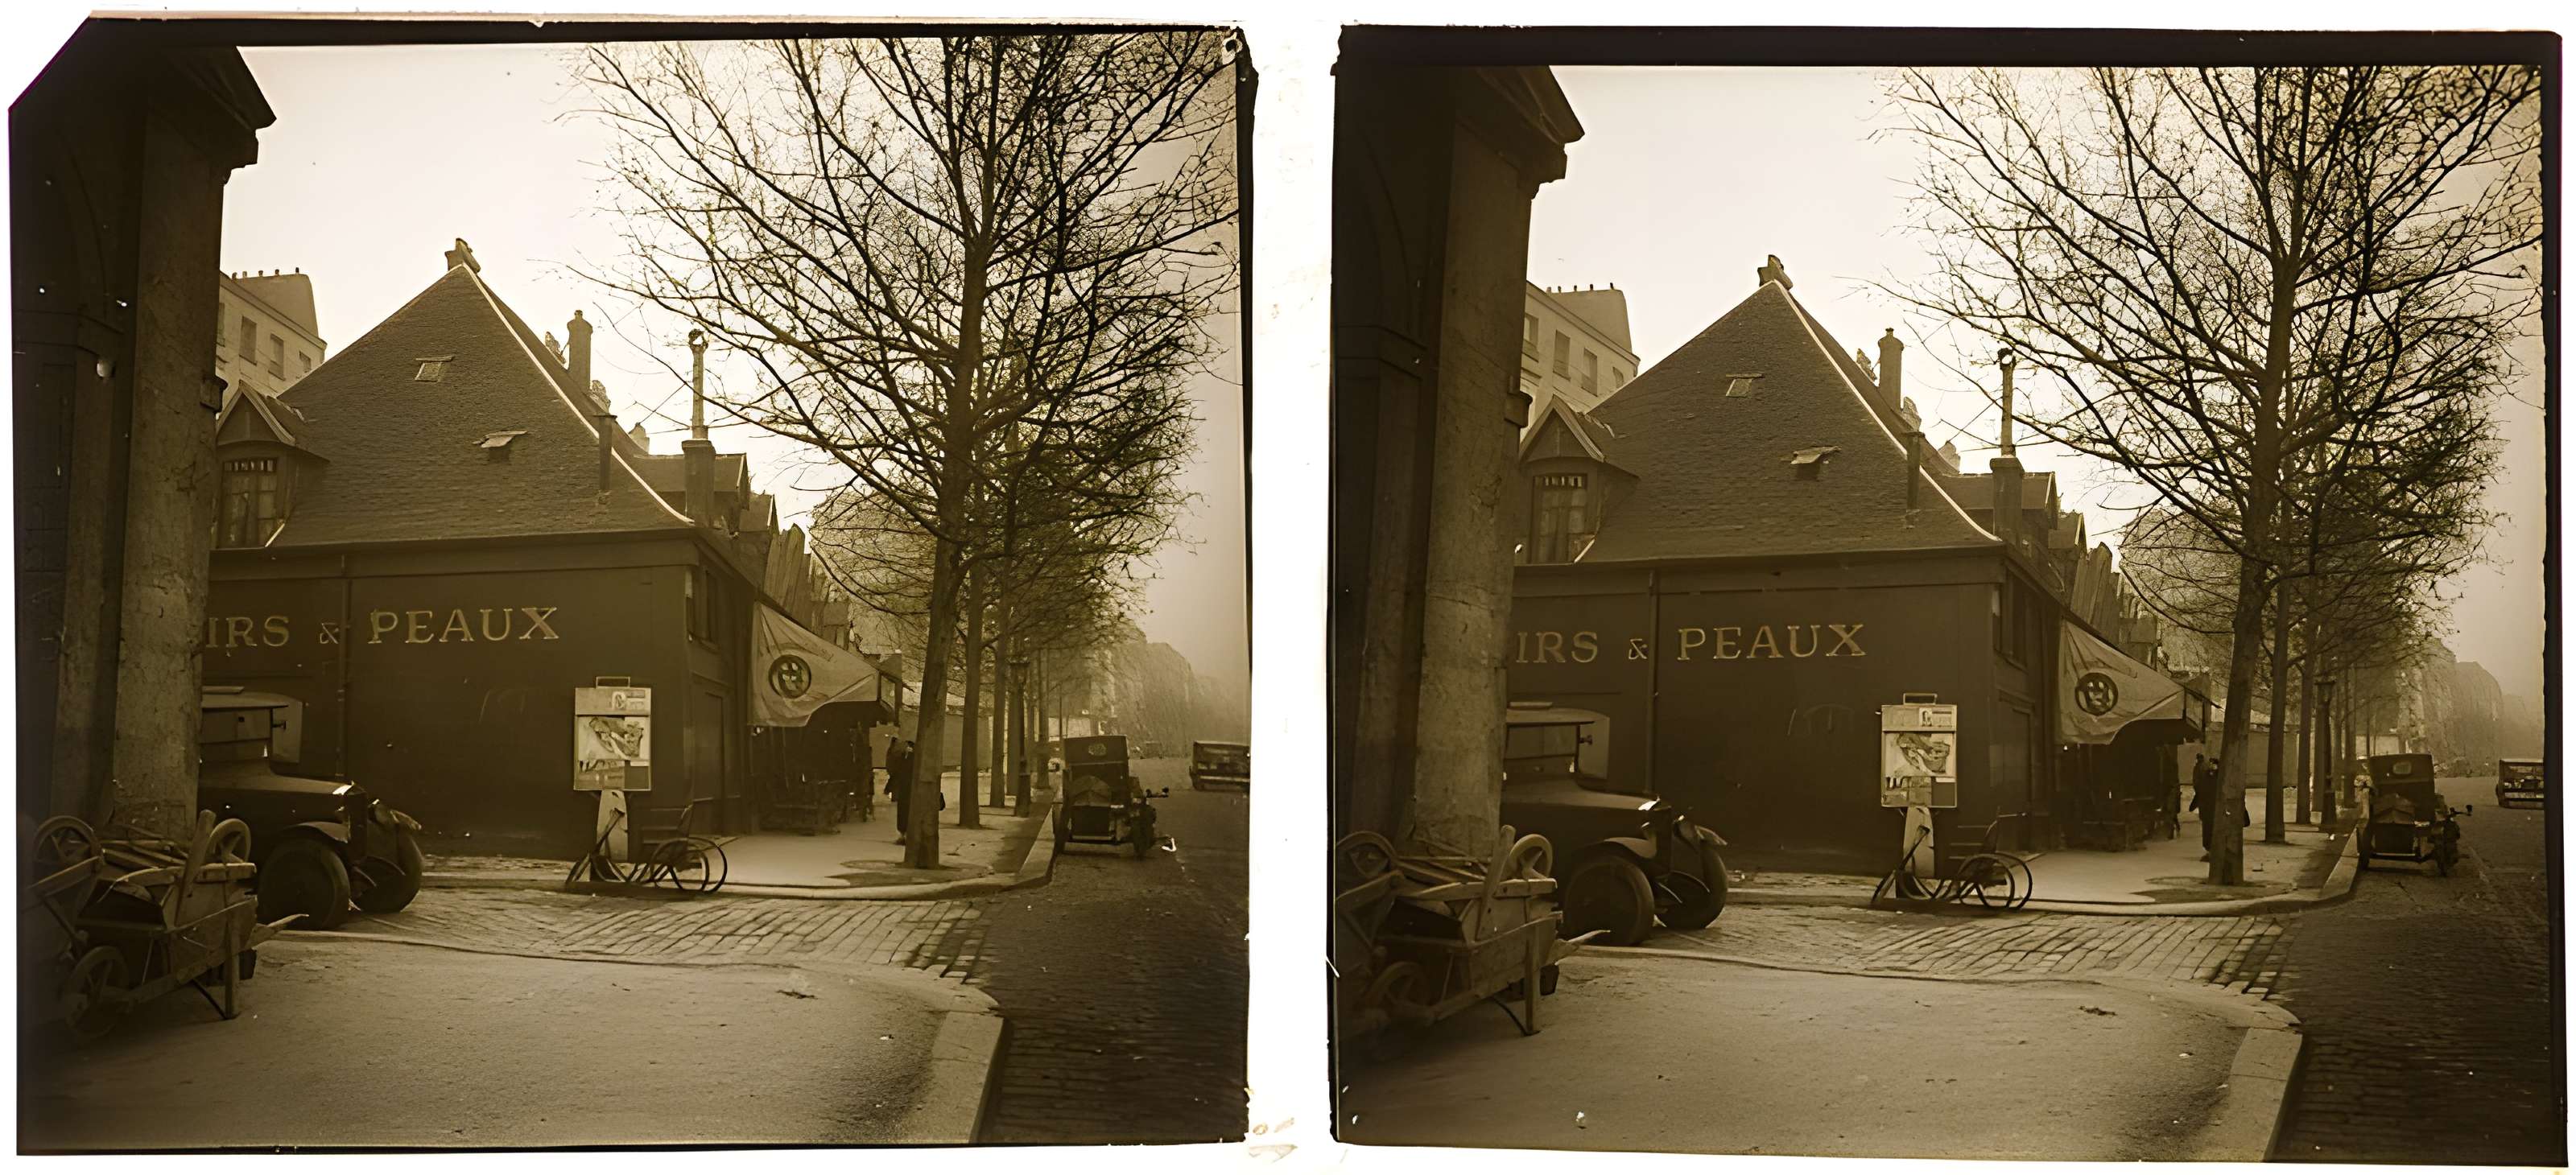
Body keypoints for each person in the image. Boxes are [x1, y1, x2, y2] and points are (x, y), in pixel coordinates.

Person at [886, 737, 915, 847]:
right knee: (903, 811)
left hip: (910, 789)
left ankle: (906, 835)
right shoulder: (902, 757)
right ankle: (903, 834)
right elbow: (895, 771)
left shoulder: (912, 758)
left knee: (906, 811)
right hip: (904, 789)